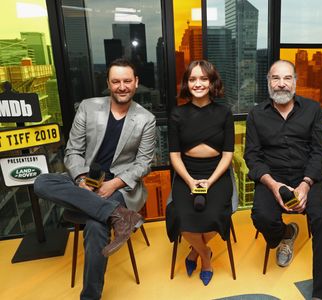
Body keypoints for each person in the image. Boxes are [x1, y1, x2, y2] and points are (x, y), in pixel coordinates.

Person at [34, 58, 156, 300]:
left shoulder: (146, 119)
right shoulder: (88, 107)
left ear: (136, 82)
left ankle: (90, 297)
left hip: (120, 184)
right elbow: (73, 152)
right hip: (86, 178)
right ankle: (117, 215)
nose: (122, 86)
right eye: (116, 81)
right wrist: (81, 180)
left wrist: (113, 184)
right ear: (108, 83)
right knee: (42, 182)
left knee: (95, 225)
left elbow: (144, 163)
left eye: (127, 81)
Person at [244, 60, 322, 300]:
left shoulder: (313, 109)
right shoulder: (256, 115)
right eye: (276, 78)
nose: (282, 84)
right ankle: (286, 233)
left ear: (295, 81)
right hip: (272, 177)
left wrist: (305, 184)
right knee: (262, 217)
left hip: (307, 176)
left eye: (287, 78)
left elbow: (319, 152)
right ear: (268, 82)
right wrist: (274, 185)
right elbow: (252, 156)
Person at [165, 60, 234, 286]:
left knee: (215, 215)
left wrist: (210, 181)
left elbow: (227, 155)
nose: (198, 83)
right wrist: (191, 181)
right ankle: (205, 256)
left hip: (217, 173)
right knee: (182, 217)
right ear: (186, 83)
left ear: (212, 82)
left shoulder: (224, 113)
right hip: (187, 173)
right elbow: (175, 156)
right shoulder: (177, 114)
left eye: (203, 78)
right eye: (193, 79)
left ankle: (194, 253)